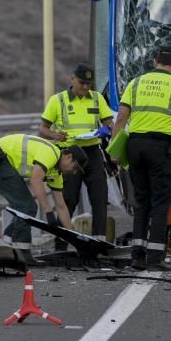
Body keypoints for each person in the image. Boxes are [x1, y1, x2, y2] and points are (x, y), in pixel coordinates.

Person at [110, 45, 171, 271]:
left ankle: (137, 256)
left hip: (134, 147)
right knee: (160, 202)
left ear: (155, 62)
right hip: (159, 147)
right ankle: (155, 258)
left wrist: (115, 152)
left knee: (141, 201)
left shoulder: (135, 84)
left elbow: (121, 120)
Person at [0, 134, 88, 266]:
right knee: (27, 207)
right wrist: (48, 212)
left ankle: (6, 247)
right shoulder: (52, 153)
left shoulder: (55, 173)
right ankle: (22, 253)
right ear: (69, 156)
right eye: (75, 167)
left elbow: (61, 206)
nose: (74, 172)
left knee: (23, 208)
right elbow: (35, 181)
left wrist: (75, 238)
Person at [39, 63, 115, 242]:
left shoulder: (96, 98)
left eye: (89, 83)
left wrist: (107, 129)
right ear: (72, 79)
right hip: (69, 154)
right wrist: (55, 135)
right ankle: (62, 242)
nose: (86, 87)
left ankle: (99, 240)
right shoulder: (58, 100)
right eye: (82, 83)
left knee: (99, 197)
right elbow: (43, 128)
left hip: (93, 152)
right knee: (69, 199)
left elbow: (109, 122)